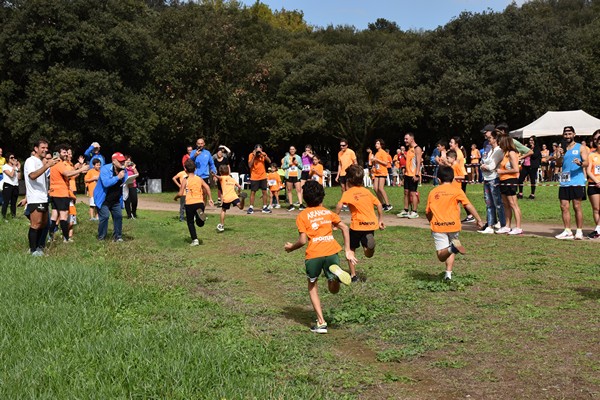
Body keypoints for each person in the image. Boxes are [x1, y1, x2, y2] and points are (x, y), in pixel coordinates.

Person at [284, 180, 357, 334]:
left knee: (312, 286)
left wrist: (291, 248)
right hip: (331, 251)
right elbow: (344, 227)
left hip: (314, 255)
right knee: (333, 289)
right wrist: (348, 250)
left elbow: (303, 240)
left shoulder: (302, 215)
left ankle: (321, 323)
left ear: (305, 198)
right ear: (322, 198)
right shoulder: (328, 213)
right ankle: (334, 277)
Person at [425, 166, 483, 281]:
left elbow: (428, 212)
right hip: (454, 226)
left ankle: (452, 250)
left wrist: (431, 220)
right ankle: (448, 274)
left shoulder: (433, 192)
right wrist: (478, 219)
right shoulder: (457, 190)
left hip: (439, 226)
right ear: (452, 178)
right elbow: (467, 205)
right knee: (452, 247)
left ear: (438, 179)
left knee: (442, 255)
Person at [335, 164, 385, 282]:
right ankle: (368, 249)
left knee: (351, 249)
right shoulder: (367, 192)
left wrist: (335, 219)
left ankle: (353, 275)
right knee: (368, 252)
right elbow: (378, 204)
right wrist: (381, 220)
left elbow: (339, 205)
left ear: (348, 180)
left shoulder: (348, 193)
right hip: (370, 224)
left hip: (357, 226)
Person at [48, 144, 89, 243]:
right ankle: (66, 238)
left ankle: (50, 237)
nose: (66, 154)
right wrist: (81, 169)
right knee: (64, 216)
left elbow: (69, 176)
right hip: (61, 193)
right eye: (64, 152)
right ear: (58, 153)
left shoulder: (54, 163)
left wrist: (78, 171)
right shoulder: (60, 163)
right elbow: (67, 174)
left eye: (67, 152)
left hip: (54, 192)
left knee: (54, 215)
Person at [24, 139, 58, 256]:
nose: (45, 150)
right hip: (35, 198)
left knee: (44, 224)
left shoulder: (40, 162)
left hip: (43, 197)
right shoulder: (30, 161)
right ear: (36, 149)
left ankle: (39, 248)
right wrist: (47, 165)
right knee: (36, 223)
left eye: (46, 148)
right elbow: (32, 175)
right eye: (42, 147)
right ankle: (32, 250)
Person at [555, 126, 589, 240]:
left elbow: (586, 162)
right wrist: (560, 155)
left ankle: (579, 231)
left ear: (574, 134)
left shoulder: (581, 147)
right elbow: (558, 164)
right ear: (563, 135)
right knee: (564, 206)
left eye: (570, 133)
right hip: (565, 179)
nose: (567, 136)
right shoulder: (562, 148)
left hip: (577, 180)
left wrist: (580, 163)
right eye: (565, 134)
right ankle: (567, 231)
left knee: (577, 206)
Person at [174, 159, 213, 245]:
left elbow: (180, 193)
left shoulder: (185, 180)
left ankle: (195, 240)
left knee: (190, 222)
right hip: (200, 202)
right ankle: (200, 217)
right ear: (195, 168)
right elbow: (207, 187)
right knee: (200, 224)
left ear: (185, 170)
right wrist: (210, 198)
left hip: (189, 203)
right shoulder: (199, 179)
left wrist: (176, 197)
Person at [94, 152, 129, 242]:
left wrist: (125, 175)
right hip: (103, 199)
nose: (122, 163)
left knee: (118, 216)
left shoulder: (123, 170)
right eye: (120, 161)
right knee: (105, 217)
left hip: (116, 199)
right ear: (114, 161)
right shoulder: (105, 169)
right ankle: (101, 237)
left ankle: (118, 237)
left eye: (123, 161)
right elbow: (106, 183)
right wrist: (118, 177)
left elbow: (125, 181)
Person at [478, 128, 507, 234]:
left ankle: (502, 224)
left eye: (490, 138)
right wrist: (484, 166)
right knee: (488, 203)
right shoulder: (489, 149)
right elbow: (483, 161)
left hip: (494, 178)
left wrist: (486, 166)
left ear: (495, 139)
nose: (488, 139)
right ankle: (490, 225)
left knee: (497, 203)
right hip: (486, 178)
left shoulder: (499, 150)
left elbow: (492, 166)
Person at [497, 134, 523, 235]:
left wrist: (501, 172)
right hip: (503, 181)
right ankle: (507, 226)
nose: (499, 143)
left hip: (510, 180)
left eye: (500, 141)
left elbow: (516, 169)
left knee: (513, 204)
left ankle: (518, 227)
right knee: (506, 204)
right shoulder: (505, 153)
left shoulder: (512, 153)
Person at [397, 133, 422, 219]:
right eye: (404, 139)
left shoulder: (417, 149)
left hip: (413, 174)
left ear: (412, 139)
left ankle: (414, 211)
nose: (405, 141)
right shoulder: (409, 149)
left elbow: (419, 163)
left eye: (406, 139)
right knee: (406, 192)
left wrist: (417, 174)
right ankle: (406, 210)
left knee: (413, 193)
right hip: (407, 174)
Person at [216, 165, 247, 232]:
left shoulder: (223, 177)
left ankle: (221, 225)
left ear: (220, 172)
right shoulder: (232, 179)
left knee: (223, 210)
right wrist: (239, 193)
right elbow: (239, 186)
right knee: (240, 207)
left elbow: (219, 178)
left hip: (227, 197)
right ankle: (243, 199)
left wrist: (214, 175)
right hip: (234, 196)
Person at [247, 144, 272, 214]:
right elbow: (249, 165)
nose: (258, 152)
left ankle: (264, 207)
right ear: (254, 150)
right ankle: (251, 207)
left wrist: (263, 155)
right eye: (257, 150)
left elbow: (269, 161)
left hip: (263, 176)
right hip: (254, 177)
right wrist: (254, 156)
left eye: (259, 150)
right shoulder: (251, 155)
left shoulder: (263, 155)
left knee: (264, 192)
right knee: (253, 192)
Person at [369, 139, 393, 211]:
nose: (376, 145)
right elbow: (376, 163)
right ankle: (382, 204)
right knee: (375, 188)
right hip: (377, 172)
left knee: (380, 188)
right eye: (376, 143)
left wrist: (377, 160)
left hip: (382, 172)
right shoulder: (376, 153)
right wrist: (373, 164)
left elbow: (386, 163)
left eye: (378, 143)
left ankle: (388, 204)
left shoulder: (383, 152)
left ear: (381, 145)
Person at [586, 130, 600, 239]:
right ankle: (598, 229)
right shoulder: (591, 155)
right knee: (596, 209)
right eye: (596, 140)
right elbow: (589, 171)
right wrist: (597, 182)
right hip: (593, 185)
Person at [282, 146, 303, 210]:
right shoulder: (286, 158)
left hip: (297, 175)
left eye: (293, 149)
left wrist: (297, 164)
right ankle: (291, 205)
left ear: (295, 150)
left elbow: (301, 167)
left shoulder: (298, 157)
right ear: (289, 150)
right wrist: (289, 165)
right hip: (289, 175)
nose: (292, 150)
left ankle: (301, 204)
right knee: (289, 190)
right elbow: (283, 167)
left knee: (299, 190)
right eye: (291, 149)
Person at [1, 153, 21, 220]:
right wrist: (14, 167)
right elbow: (11, 175)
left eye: (14, 157)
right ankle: (3, 217)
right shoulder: (5, 166)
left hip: (15, 185)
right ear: (8, 159)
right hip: (8, 185)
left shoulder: (15, 167)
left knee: (13, 202)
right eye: (11, 158)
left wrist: (19, 169)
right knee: (6, 202)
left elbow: (19, 177)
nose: (13, 159)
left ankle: (13, 216)